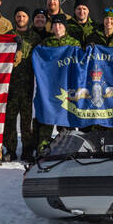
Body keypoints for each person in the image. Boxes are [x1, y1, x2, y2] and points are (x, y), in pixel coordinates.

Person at [35, 13, 80, 148]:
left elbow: (79, 63)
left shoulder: (74, 43)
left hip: (67, 84)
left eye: (60, 24)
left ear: (65, 26)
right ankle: (43, 146)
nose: (58, 26)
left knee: (67, 114)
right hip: (50, 85)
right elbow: (40, 59)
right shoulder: (46, 43)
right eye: (55, 24)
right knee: (47, 114)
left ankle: (67, 145)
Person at [6, 7, 39, 161]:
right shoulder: (9, 36)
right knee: (10, 119)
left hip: (27, 85)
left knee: (26, 120)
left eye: (24, 16)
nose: (21, 18)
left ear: (28, 18)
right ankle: (10, 149)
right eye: (18, 16)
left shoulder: (34, 37)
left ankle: (27, 149)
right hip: (11, 85)